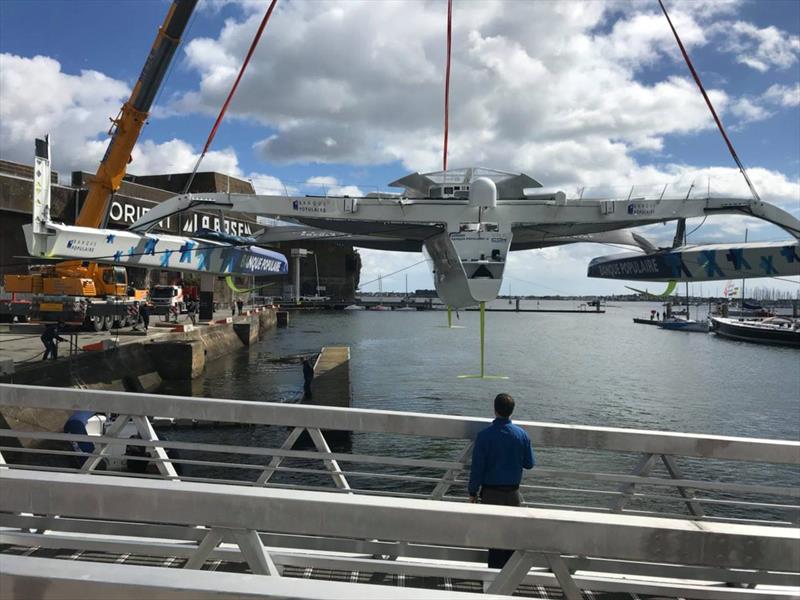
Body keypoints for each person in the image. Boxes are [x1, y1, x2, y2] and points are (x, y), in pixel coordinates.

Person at [468, 393, 535, 570]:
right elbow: (529, 464)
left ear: (495, 409)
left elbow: (477, 469)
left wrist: (472, 492)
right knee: (512, 536)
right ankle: (510, 576)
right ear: (512, 411)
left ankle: (494, 578)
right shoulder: (522, 435)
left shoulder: (484, 436)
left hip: (491, 493)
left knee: (494, 537)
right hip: (513, 494)